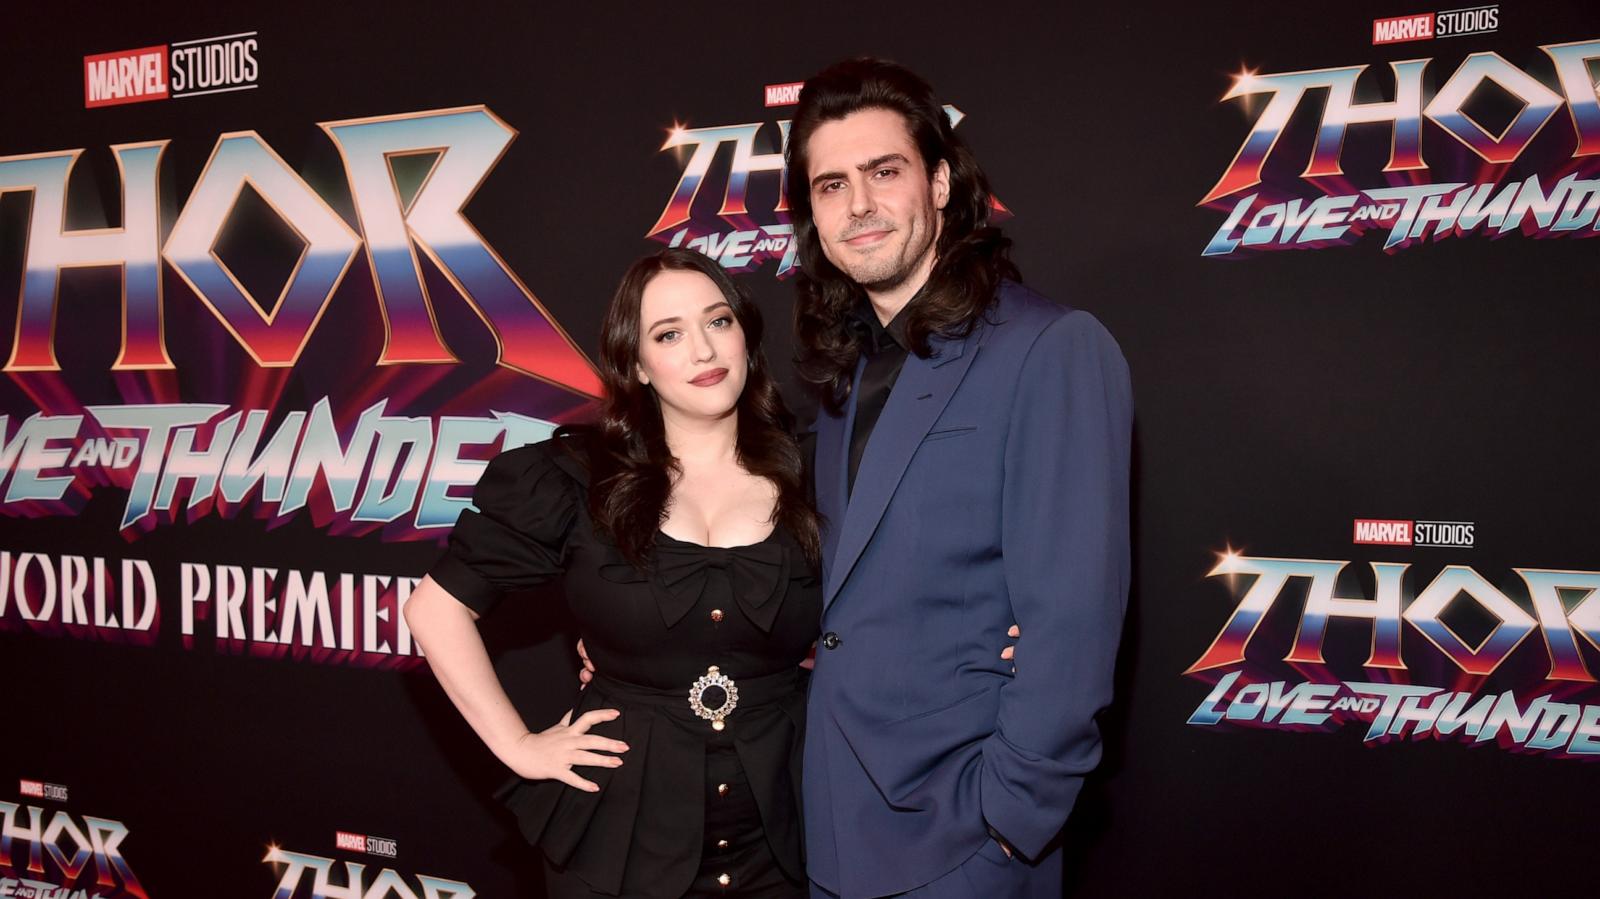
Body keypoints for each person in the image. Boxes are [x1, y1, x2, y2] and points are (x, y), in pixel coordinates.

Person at [785, 58, 1133, 898]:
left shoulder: (1049, 349)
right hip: (829, 828)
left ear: (940, 183)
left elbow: (1072, 622)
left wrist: (1009, 826)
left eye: (884, 171)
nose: (858, 204)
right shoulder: (840, 367)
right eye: (831, 184)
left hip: (961, 844)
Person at [404, 247, 823, 897]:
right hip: (620, 842)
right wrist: (519, 744)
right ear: (637, 365)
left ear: (746, 335)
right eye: (669, 334)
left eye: (718, 322)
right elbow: (435, 609)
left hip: (787, 829)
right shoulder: (577, 478)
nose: (703, 351)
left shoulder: (819, 469)